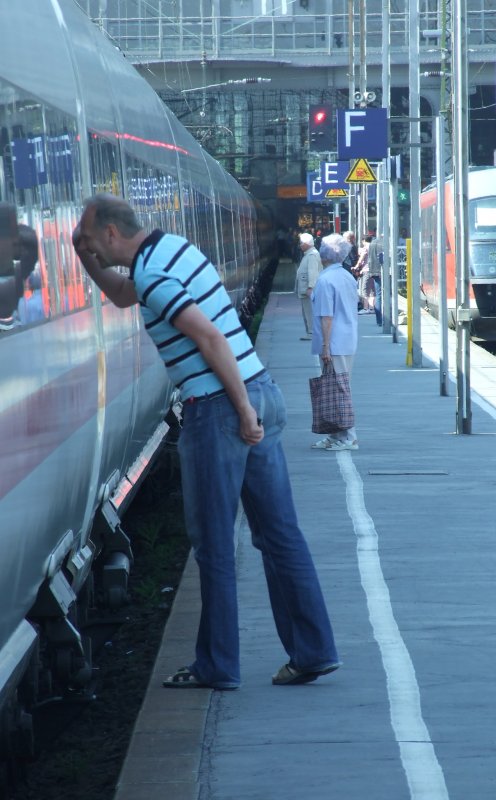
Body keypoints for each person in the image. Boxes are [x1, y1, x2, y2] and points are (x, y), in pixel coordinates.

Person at [73, 194, 340, 689]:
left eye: (89, 240)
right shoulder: (173, 250)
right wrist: (84, 258)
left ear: (112, 233)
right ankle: (313, 651)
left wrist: (241, 412)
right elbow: (121, 295)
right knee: (280, 536)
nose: (88, 246)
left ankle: (218, 666)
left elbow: (211, 339)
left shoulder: (152, 274)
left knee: (214, 546)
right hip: (259, 388)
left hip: (220, 406)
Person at [310, 233, 358, 451]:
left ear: (325, 255)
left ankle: (349, 437)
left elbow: (326, 316)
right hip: (347, 339)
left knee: (339, 389)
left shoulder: (325, 280)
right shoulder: (347, 277)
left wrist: (325, 346)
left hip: (334, 342)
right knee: (338, 386)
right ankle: (336, 434)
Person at [294, 232, 322, 340]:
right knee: (307, 311)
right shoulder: (309, 254)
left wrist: (310, 287)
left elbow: (313, 272)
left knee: (309, 312)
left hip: (308, 290)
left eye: (301, 243)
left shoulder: (312, 255)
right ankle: (309, 332)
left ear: (307, 243)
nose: (300, 245)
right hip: (306, 289)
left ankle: (312, 333)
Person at [368, 232, 384, 327]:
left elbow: (370, 258)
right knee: (388, 295)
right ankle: (387, 319)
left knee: (378, 295)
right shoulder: (385, 243)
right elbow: (382, 258)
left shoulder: (373, 243)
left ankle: (379, 320)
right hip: (383, 272)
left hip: (374, 271)